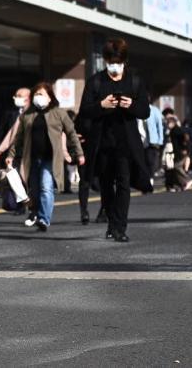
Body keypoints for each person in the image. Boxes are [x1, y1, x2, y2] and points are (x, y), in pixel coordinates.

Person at [78, 38, 152, 242]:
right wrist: (102, 105)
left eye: (118, 62)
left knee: (124, 184)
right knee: (106, 185)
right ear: (105, 60)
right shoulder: (96, 81)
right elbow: (85, 110)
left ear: (124, 61)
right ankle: (111, 222)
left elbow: (145, 111)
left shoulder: (135, 80)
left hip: (126, 143)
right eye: (111, 61)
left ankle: (120, 227)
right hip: (102, 143)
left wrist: (131, 105)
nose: (114, 66)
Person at [6, 83, 84, 231]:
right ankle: (35, 212)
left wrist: (79, 153)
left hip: (50, 158)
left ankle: (44, 219)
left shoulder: (59, 113)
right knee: (34, 190)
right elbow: (19, 138)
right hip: (33, 157)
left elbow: (72, 134)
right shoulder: (27, 115)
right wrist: (11, 155)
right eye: (36, 94)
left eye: (41, 94)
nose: (38, 97)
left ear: (50, 97)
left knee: (46, 187)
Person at [163, 116, 192, 192]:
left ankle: (187, 180)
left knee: (177, 166)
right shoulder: (173, 130)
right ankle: (181, 184)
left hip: (180, 151)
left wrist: (184, 147)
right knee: (175, 168)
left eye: (169, 123)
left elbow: (185, 136)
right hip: (178, 151)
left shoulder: (176, 130)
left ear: (173, 123)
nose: (167, 124)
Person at [144, 100, 165, 185]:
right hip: (141, 140)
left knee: (150, 160)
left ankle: (150, 178)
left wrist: (160, 140)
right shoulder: (137, 109)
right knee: (143, 160)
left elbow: (159, 125)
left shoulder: (154, 110)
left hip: (152, 140)